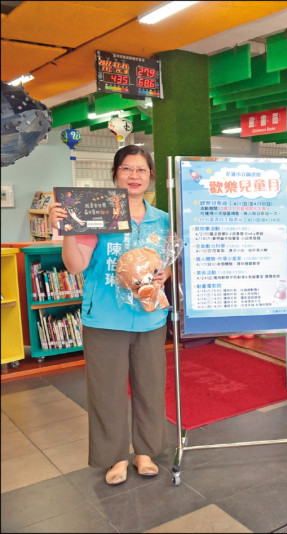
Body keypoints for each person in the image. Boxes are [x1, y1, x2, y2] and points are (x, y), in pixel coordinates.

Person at [48, 145, 171, 486]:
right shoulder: (97, 213)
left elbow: (165, 266)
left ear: (150, 177)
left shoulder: (162, 219)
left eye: (141, 170)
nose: (134, 175)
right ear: (115, 175)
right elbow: (76, 266)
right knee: (107, 392)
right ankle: (115, 457)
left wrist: (164, 275)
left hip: (149, 319)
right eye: (127, 169)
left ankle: (146, 451)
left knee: (150, 387)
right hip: (104, 318)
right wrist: (68, 230)